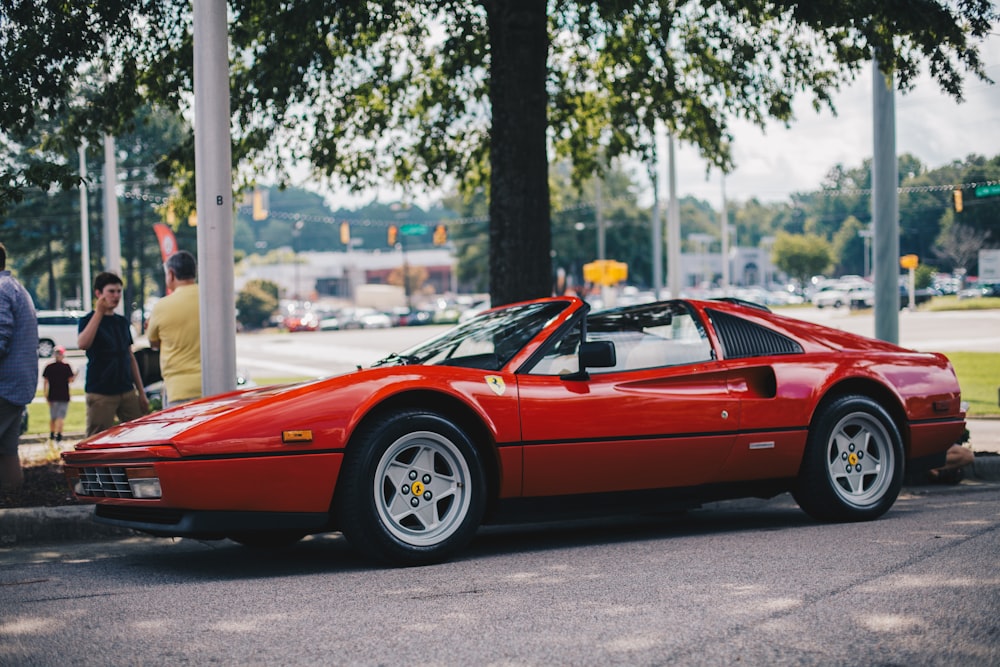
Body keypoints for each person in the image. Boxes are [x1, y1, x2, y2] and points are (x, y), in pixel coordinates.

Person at [77, 272, 149, 436]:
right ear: (98, 293)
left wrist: (141, 392)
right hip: (101, 392)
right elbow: (83, 343)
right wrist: (99, 313)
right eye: (111, 291)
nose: (116, 296)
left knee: (138, 435)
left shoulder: (122, 321)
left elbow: (130, 357)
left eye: (119, 291)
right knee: (97, 439)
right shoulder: (88, 320)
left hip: (126, 390)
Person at [0, 242, 38, 495]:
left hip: (3, 386)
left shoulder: (1, 289)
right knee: (7, 449)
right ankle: (12, 497)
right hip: (18, 385)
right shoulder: (16, 287)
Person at [146, 250, 201, 408]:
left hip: (179, 388)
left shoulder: (161, 306)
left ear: (170, 274)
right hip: (213, 385)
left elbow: (154, 343)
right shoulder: (209, 298)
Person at [42, 346, 77, 442]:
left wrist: (45, 394)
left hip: (52, 395)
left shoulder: (49, 367)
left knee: (53, 417)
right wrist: (75, 376)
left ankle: (52, 435)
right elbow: (71, 380)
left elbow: (45, 382)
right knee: (60, 417)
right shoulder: (66, 367)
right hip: (63, 395)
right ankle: (59, 436)